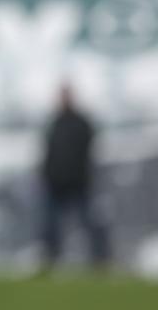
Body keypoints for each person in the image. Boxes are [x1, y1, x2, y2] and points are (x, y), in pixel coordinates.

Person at [39, 84, 110, 271]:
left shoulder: (81, 122)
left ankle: (101, 261)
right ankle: (50, 260)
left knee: (90, 222)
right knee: (50, 225)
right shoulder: (54, 123)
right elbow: (48, 152)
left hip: (79, 182)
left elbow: (90, 148)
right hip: (56, 183)